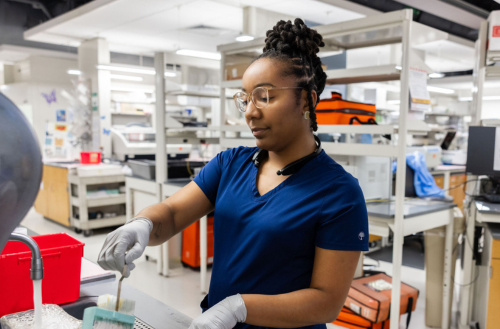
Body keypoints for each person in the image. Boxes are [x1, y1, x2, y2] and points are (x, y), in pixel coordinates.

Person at [98, 18, 369, 329]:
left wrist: (239, 307)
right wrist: (142, 224)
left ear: (307, 98)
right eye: (245, 98)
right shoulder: (231, 164)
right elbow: (172, 215)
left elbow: (326, 302)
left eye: (265, 96)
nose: (251, 111)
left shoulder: (339, 193)